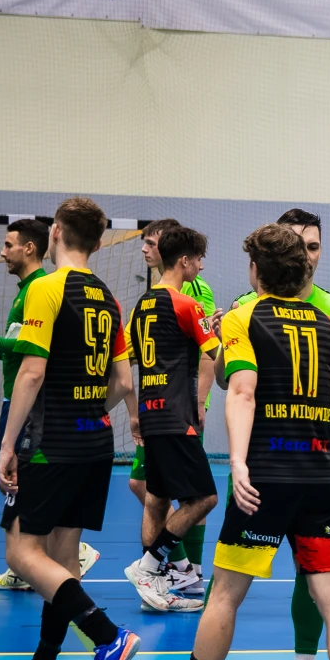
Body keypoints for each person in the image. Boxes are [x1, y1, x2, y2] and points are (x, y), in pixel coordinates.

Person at [145, 224, 330, 660]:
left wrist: (238, 461)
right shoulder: (327, 324)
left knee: (225, 595)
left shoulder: (245, 315)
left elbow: (242, 390)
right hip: (320, 476)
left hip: (265, 478)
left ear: (255, 271)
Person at [0, 197, 140, 660]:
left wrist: (8, 444)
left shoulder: (47, 287)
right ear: (99, 244)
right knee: (63, 560)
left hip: (50, 444)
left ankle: (107, 636)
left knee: (21, 553)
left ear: (55, 232)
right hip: (94, 441)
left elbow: (31, 372)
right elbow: (124, 382)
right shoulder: (109, 298)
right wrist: (87, 409)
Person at [228, 208, 330, 660]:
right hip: (308, 469)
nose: (309, 254)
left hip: (275, 468)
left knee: (234, 590)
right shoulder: (302, 319)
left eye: (315, 245)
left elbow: (242, 390)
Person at [0, 219, 101, 591]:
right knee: (19, 488)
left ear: (30, 247)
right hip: (42, 412)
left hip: (38, 412)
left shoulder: (41, 288)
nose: (2, 252)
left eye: (8, 245)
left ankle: (36, 561)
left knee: (19, 487)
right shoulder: (29, 290)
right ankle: (37, 565)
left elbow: (30, 354)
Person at [121, 226, 220, 613]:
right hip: (177, 416)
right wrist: (222, 331)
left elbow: (126, 358)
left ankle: (155, 588)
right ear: (184, 261)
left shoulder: (142, 304)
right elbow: (216, 357)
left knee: (158, 499)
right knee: (205, 498)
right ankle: (148, 566)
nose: (201, 266)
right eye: (198, 259)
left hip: (151, 412)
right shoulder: (188, 305)